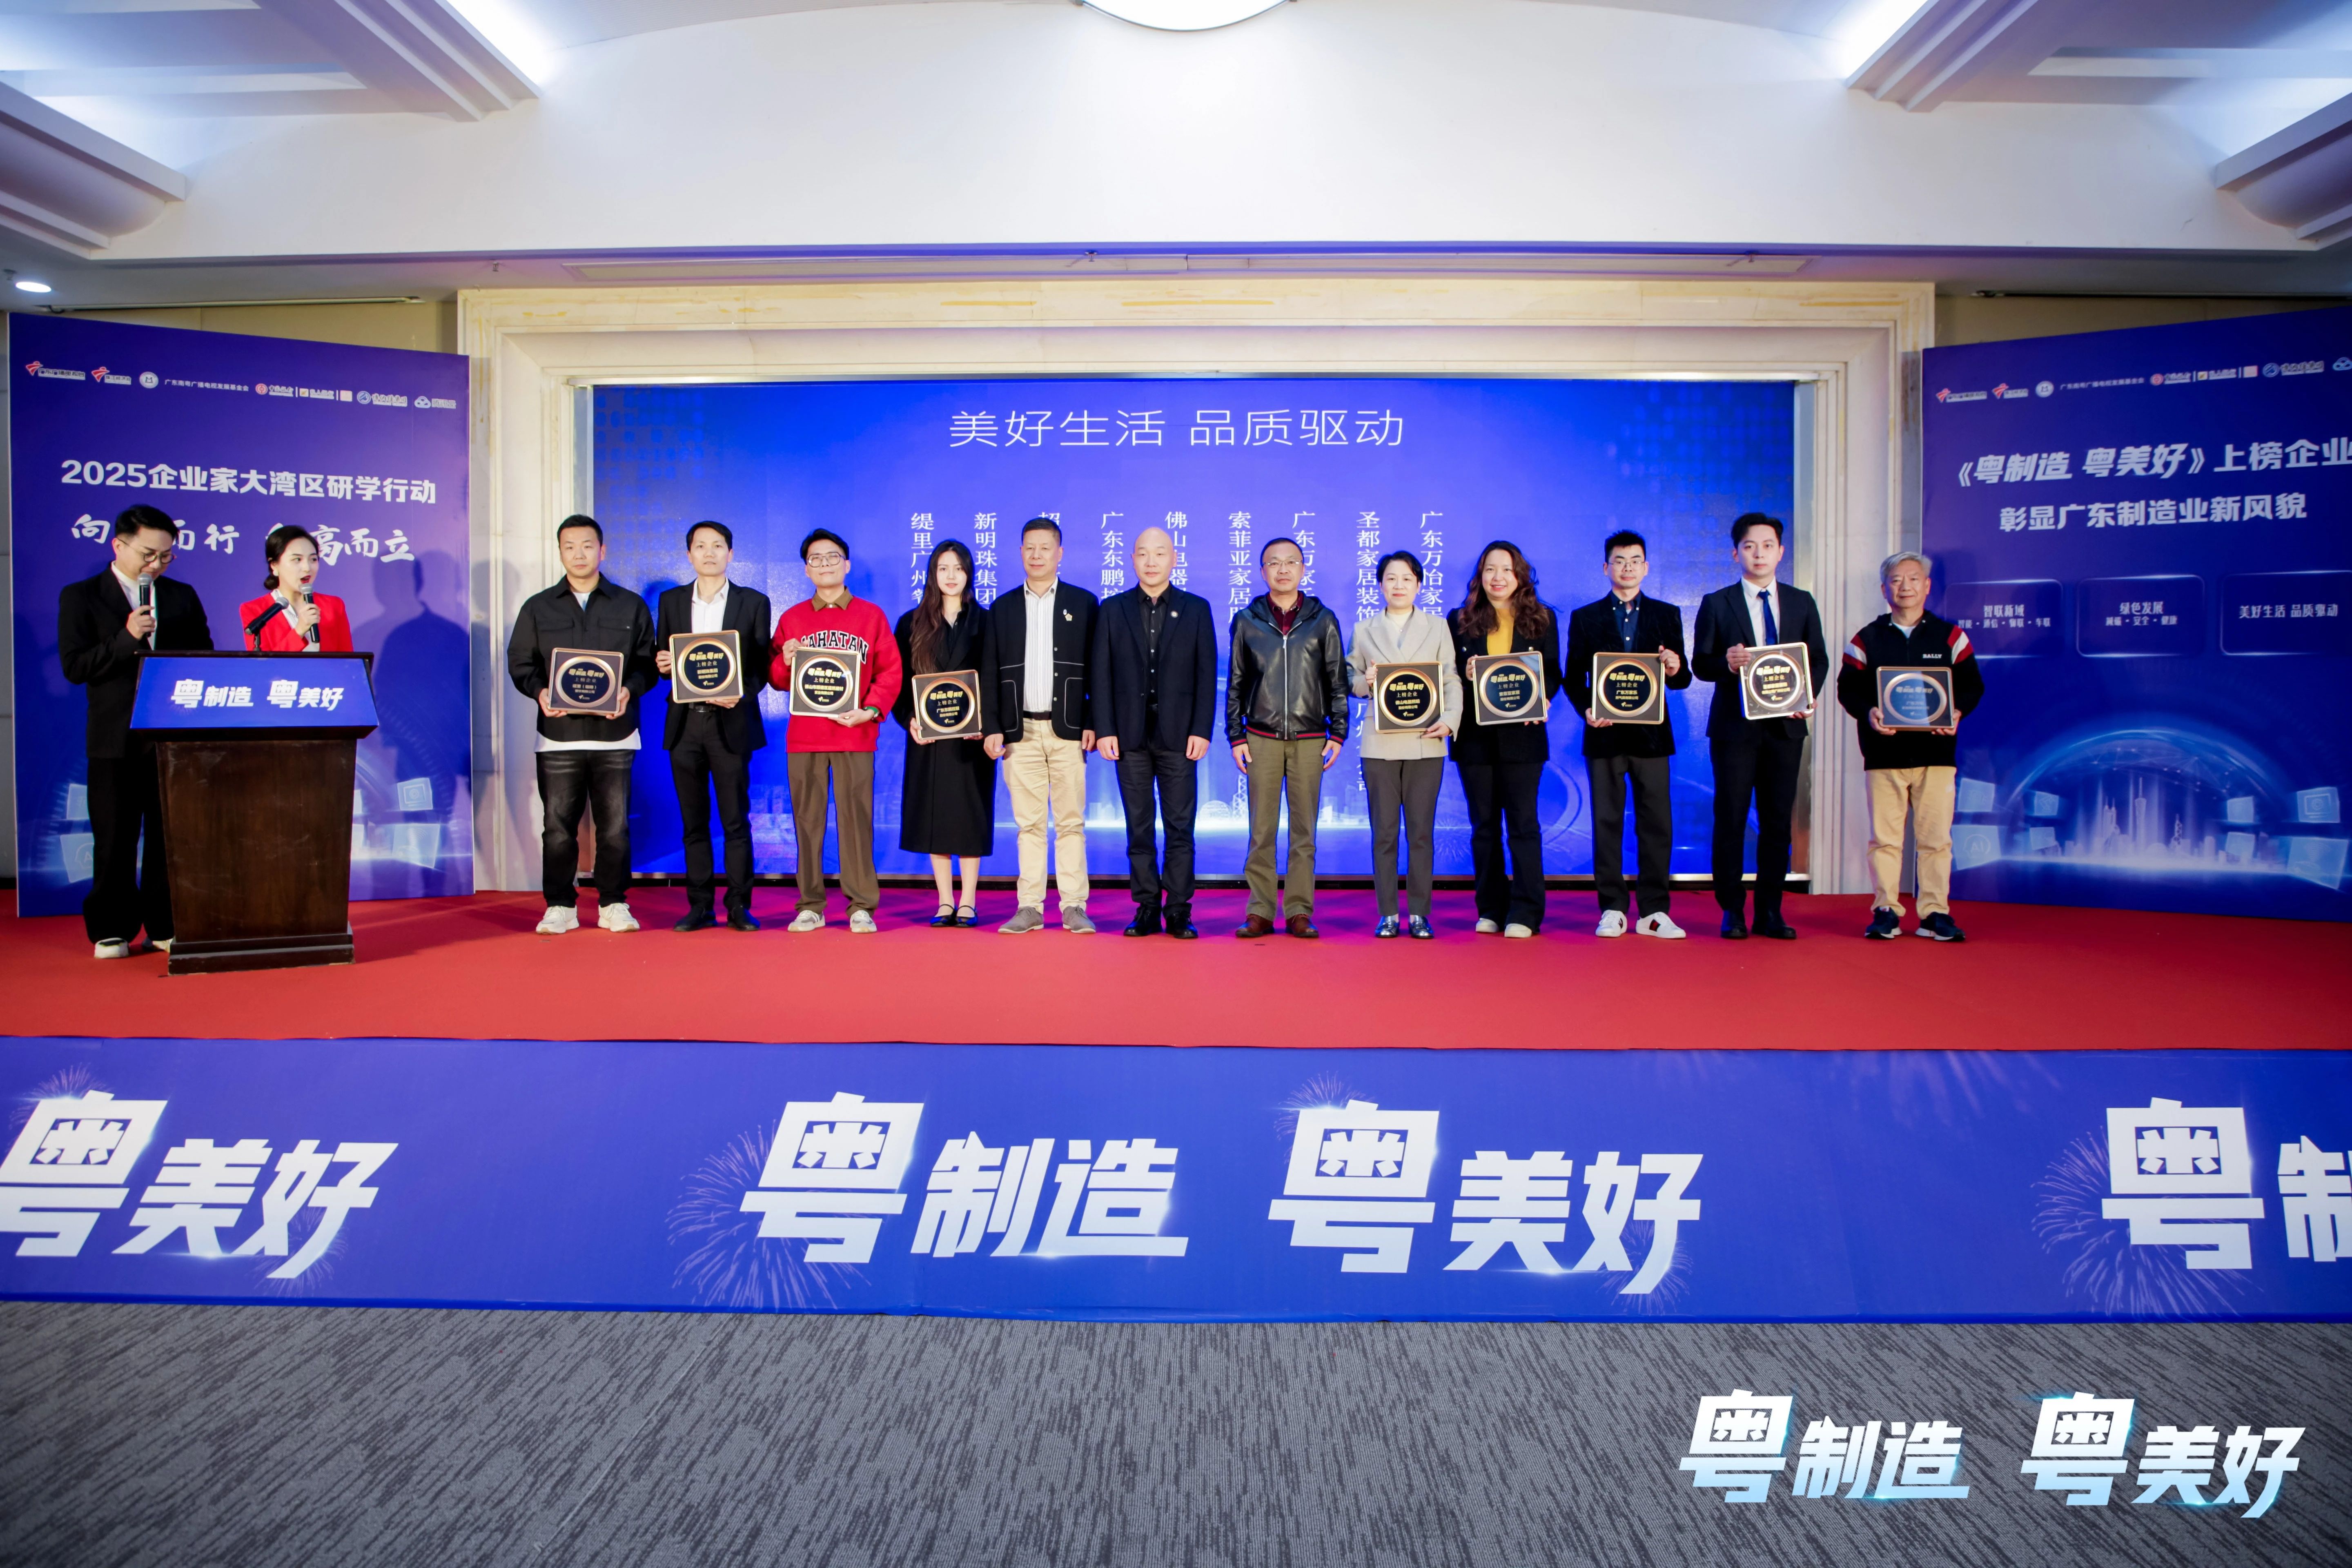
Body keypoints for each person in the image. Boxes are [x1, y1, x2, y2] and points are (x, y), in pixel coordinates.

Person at [57, 503, 214, 959]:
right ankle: (112, 928)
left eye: (166, 556)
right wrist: (127, 638)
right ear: (118, 545)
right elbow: (75, 666)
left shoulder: (182, 596)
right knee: (114, 837)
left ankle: (165, 924)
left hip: (170, 737)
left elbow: (204, 658)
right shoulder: (82, 596)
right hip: (114, 737)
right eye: (149, 554)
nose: (157, 565)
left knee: (169, 839)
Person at [506, 513, 657, 936]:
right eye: (570, 547)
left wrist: (628, 690)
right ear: (560, 552)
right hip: (559, 737)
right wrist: (540, 691)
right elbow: (520, 663)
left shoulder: (630, 605)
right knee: (558, 829)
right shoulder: (538, 607)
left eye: (587, 546)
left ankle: (614, 903)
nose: (579, 554)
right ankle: (560, 905)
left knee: (615, 828)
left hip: (616, 734)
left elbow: (647, 664)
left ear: (602, 551)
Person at [1690, 511, 1830, 942]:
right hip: (1735, 730)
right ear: (1736, 554)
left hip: (1785, 729)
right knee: (1731, 818)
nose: (1759, 554)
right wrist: (1726, 663)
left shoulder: (1802, 601)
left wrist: (1806, 697)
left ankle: (1771, 910)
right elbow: (1701, 664)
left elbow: (1818, 659)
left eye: (1768, 546)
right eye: (1749, 546)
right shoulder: (1718, 602)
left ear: (1781, 552)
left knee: (1776, 822)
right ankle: (1732, 909)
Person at [1836, 550, 1986, 942]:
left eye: (1914, 579)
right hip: (1883, 754)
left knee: (1936, 839)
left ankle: (1935, 913)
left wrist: (1957, 711)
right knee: (1885, 839)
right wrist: (1869, 712)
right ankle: (1886, 910)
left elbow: (1973, 686)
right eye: (1897, 580)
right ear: (1884, 588)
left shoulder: (1951, 637)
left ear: (1927, 586)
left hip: (1936, 755)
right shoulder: (1866, 639)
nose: (1905, 587)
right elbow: (1847, 689)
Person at [771, 527, 902, 933]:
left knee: (856, 820)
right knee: (807, 822)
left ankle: (861, 905)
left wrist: (871, 711)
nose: (824, 564)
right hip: (805, 737)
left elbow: (890, 672)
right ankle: (810, 904)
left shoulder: (871, 616)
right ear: (806, 569)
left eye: (832, 557)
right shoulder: (792, 619)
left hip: (855, 734)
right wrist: (785, 660)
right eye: (816, 559)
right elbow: (776, 678)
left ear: (847, 565)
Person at [1564, 530, 1692, 940]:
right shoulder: (1586, 617)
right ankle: (1613, 908)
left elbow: (1683, 679)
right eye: (1619, 561)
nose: (1627, 568)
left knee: (1657, 823)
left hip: (1652, 738)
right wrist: (1587, 709)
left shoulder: (1667, 614)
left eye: (1635, 561)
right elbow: (1572, 677)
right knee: (1606, 822)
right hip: (1603, 735)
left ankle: (1654, 911)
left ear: (1646, 567)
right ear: (1606, 567)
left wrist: (1674, 666)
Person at [1093, 526, 1218, 939]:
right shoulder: (1113, 609)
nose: (1151, 562)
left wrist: (1202, 730)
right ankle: (1146, 907)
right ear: (1132, 560)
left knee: (1181, 827)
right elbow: (1101, 674)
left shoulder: (1196, 609)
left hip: (1180, 737)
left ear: (1174, 559)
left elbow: (1206, 674)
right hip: (1128, 736)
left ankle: (1179, 910)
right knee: (1139, 826)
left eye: (1160, 553)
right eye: (1143, 554)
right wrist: (1105, 728)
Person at [653, 520, 773, 933]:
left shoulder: (753, 602)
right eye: (701, 546)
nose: (709, 553)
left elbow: (760, 667)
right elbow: (664, 658)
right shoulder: (671, 601)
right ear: (689, 555)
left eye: (717, 546)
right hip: (685, 724)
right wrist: (662, 663)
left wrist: (741, 693)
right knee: (694, 823)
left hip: (731, 723)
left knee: (736, 821)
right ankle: (700, 906)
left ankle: (739, 905)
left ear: (730, 554)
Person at [980, 517, 1098, 935]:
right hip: (1021, 732)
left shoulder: (1084, 603)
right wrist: (993, 726)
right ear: (1020, 553)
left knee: (1070, 822)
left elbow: (1098, 670)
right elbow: (990, 671)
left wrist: (1094, 722)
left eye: (1045, 547)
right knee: (1028, 824)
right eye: (1029, 547)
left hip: (1069, 731)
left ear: (1059, 553)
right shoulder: (1003, 608)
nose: (1037, 555)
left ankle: (1074, 906)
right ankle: (1029, 906)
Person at [1227, 537, 1347, 938]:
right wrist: (1236, 736)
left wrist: (1339, 733)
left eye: (1291, 562)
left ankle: (1299, 911)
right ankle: (1260, 910)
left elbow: (1337, 680)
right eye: (1274, 563)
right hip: (1260, 736)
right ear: (1262, 572)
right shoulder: (1247, 620)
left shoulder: (1323, 619)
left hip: (1311, 737)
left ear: (1303, 569)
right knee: (1261, 831)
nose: (1283, 569)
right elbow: (1236, 683)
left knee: (1304, 832)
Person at [1448, 540, 1562, 938]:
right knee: (1483, 826)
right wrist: (1465, 673)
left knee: (1523, 825)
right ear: (1480, 576)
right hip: (1475, 740)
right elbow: (1448, 674)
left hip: (1524, 738)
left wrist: (1543, 698)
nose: (1498, 578)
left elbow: (1553, 673)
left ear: (1520, 576)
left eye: (1507, 570)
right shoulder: (1459, 619)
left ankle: (1526, 912)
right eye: (1490, 570)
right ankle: (1491, 908)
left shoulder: (1542, 618)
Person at [1347, 550, 1460, 939]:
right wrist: (1366, 682)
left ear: (1419, 584)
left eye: (1407, 579)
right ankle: (1388, 913)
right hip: (1380, 744)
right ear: (1380, 585)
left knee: (1421, 833)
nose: (1399, 586)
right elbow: (1349, 679)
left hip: (1426, 741)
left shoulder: (1438, 627)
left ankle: (1420, 914)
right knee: (1384, 833)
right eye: (1391, 579)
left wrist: (1451, 720)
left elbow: (1451, 679)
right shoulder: (1364, 629)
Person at [894, 538, 996, 928]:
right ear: (932, 574)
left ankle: (968, 900)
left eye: (959, 568)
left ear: (970, 573)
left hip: (971, 740)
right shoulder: (911, 623)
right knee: (934, 817)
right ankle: (944, 901)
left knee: (969, 816)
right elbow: (900, 683)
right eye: (943, 568)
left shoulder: (987, 622)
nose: (951, 576)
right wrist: (910, 720)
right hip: (930, 740)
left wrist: (987, 723)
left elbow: (995, 679)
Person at [238, 527, 352, 652]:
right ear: (274, 565)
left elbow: (348, 659)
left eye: (313, 559)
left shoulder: (333, 605)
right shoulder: (255, 610)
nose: (307, 568)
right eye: (297, 560)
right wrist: (299, 630)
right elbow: (263, 663)